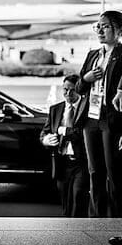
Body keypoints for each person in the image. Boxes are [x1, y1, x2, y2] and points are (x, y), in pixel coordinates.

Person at [76, 10, 122, 220]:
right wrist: (85, 78)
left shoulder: (121, 54)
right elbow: (78, 88)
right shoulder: (93, 55)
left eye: (105, 26)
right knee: (94, 172)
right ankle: (96, 219)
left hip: (111, 119)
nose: (100, 30)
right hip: (90, 118)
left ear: (118, 30)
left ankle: (115, 220)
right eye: (98, 26)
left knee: (114, 173)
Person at [40, 74, 89, 217]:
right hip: (62, 162)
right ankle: (67, 229)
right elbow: (45, 132)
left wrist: (64, 131)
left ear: (79, 90)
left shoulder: (86, 109)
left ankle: (78, 230)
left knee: (78, 196)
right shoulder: (55, 109)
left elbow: (82, 133)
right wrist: (46, 139)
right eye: (65, 90)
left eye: (72, 90)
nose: (67, 94)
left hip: (81, 162)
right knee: (64, 199)